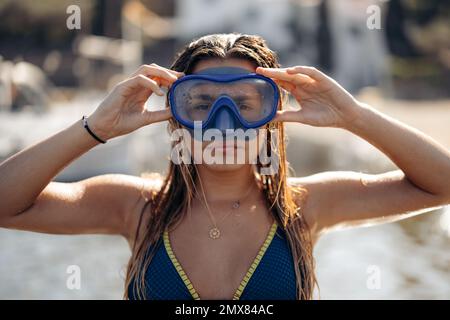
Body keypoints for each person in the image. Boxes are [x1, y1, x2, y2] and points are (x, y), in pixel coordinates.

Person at [0, 33, 449, 300]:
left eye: (244, 105)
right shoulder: (135, 206)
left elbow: (442, 184)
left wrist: (354, 116)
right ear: (175, 113)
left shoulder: (306, 206)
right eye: (201, 104)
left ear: (274, 114)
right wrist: (95, 129)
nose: (223, 123)